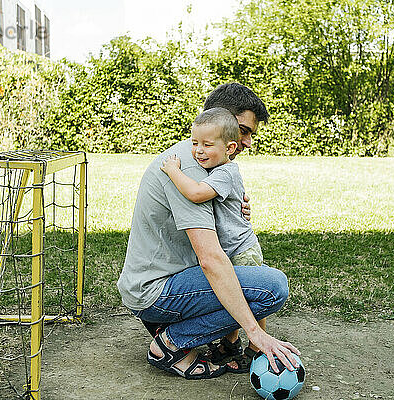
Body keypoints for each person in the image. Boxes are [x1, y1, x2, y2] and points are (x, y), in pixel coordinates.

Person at [116, 83, 300, 380]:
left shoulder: (203, 163)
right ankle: (171, 342)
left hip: (167, 280)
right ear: (220, 121)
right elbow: (211, 259)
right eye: (243, 130)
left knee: (254, 277)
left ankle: (213, 342)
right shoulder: (190, 169)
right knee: (273, 287)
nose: (248, 142)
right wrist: (258, 334)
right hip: (156, 292)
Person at [159, 107, 267, 373]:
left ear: (229, 147)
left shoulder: (225, 172)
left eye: (207, 145)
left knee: (250, 298)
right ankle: (230, 343)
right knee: (234, 292)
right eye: (194, 143)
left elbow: (195, 193)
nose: (198, 151)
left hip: (242, 249)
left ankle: (256, 348)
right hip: (231, 247)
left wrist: (173, 170)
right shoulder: (218, 168)